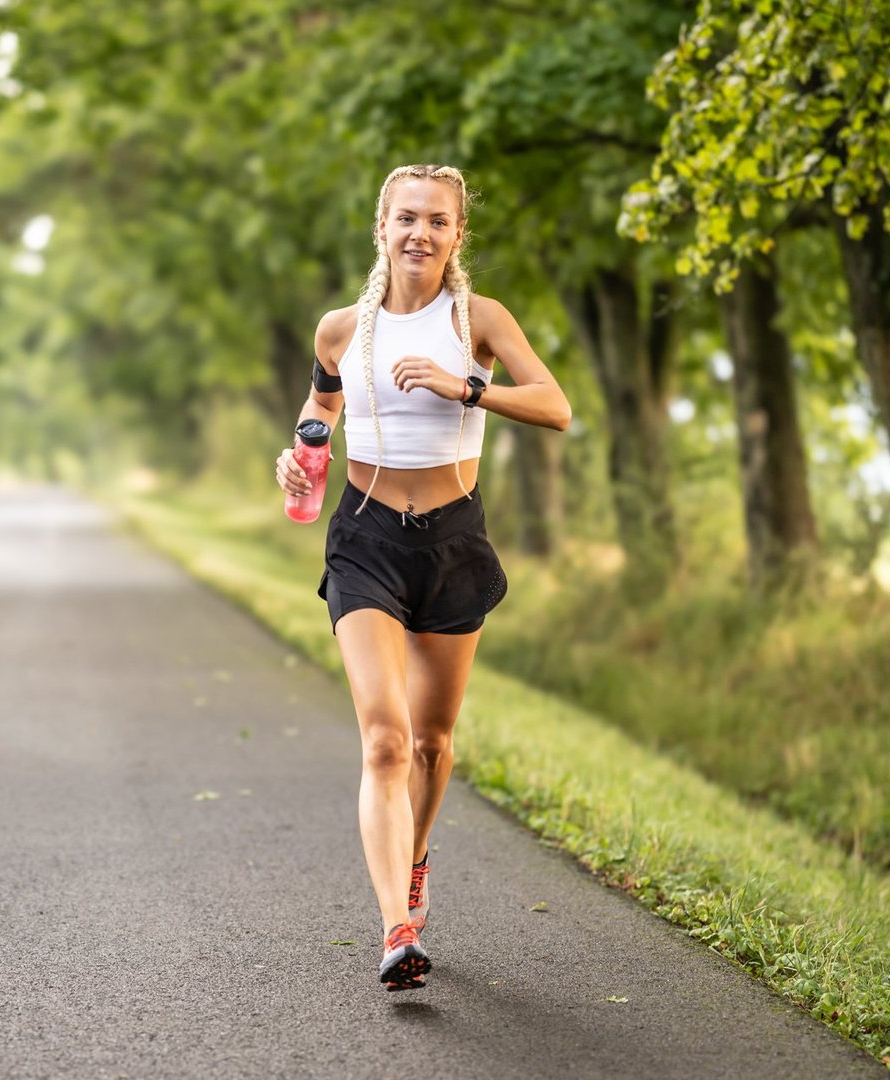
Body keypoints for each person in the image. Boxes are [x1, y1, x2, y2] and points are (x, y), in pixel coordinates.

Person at [274, 164, 571, 991]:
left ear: (456, 235)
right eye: (407, 218)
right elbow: (319, 413)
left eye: (437, 221)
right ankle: (397, 929)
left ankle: (416, 863)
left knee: (435, 745)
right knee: (385, 738)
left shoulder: (478, 320)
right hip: (364, 538)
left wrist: (468, 385)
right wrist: (299, 465)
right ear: (381, 228)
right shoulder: (342, 330)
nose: (420, 233)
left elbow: (556, 406)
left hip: (452, 542)